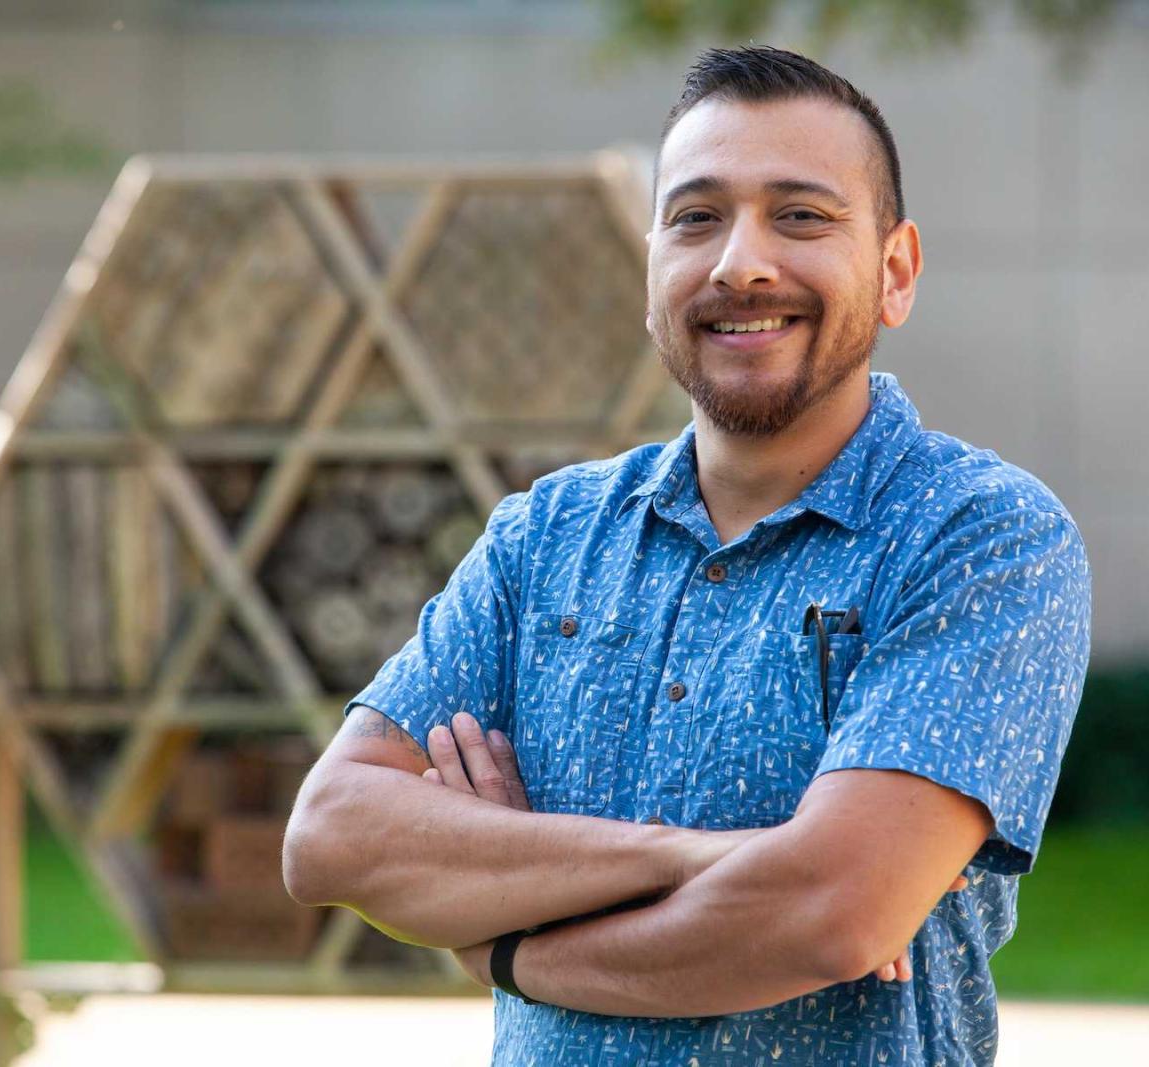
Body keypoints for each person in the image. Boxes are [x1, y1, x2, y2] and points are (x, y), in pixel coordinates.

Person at [283, 45, 1092, 1066]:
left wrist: (505, 942)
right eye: (695, 217)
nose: (738, 263)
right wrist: (704, 858)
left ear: (894, 272)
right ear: (652, 272)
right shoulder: (546, 537)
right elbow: (333, 836)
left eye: (800, 216)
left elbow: (833, 913)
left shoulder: (977, 535)